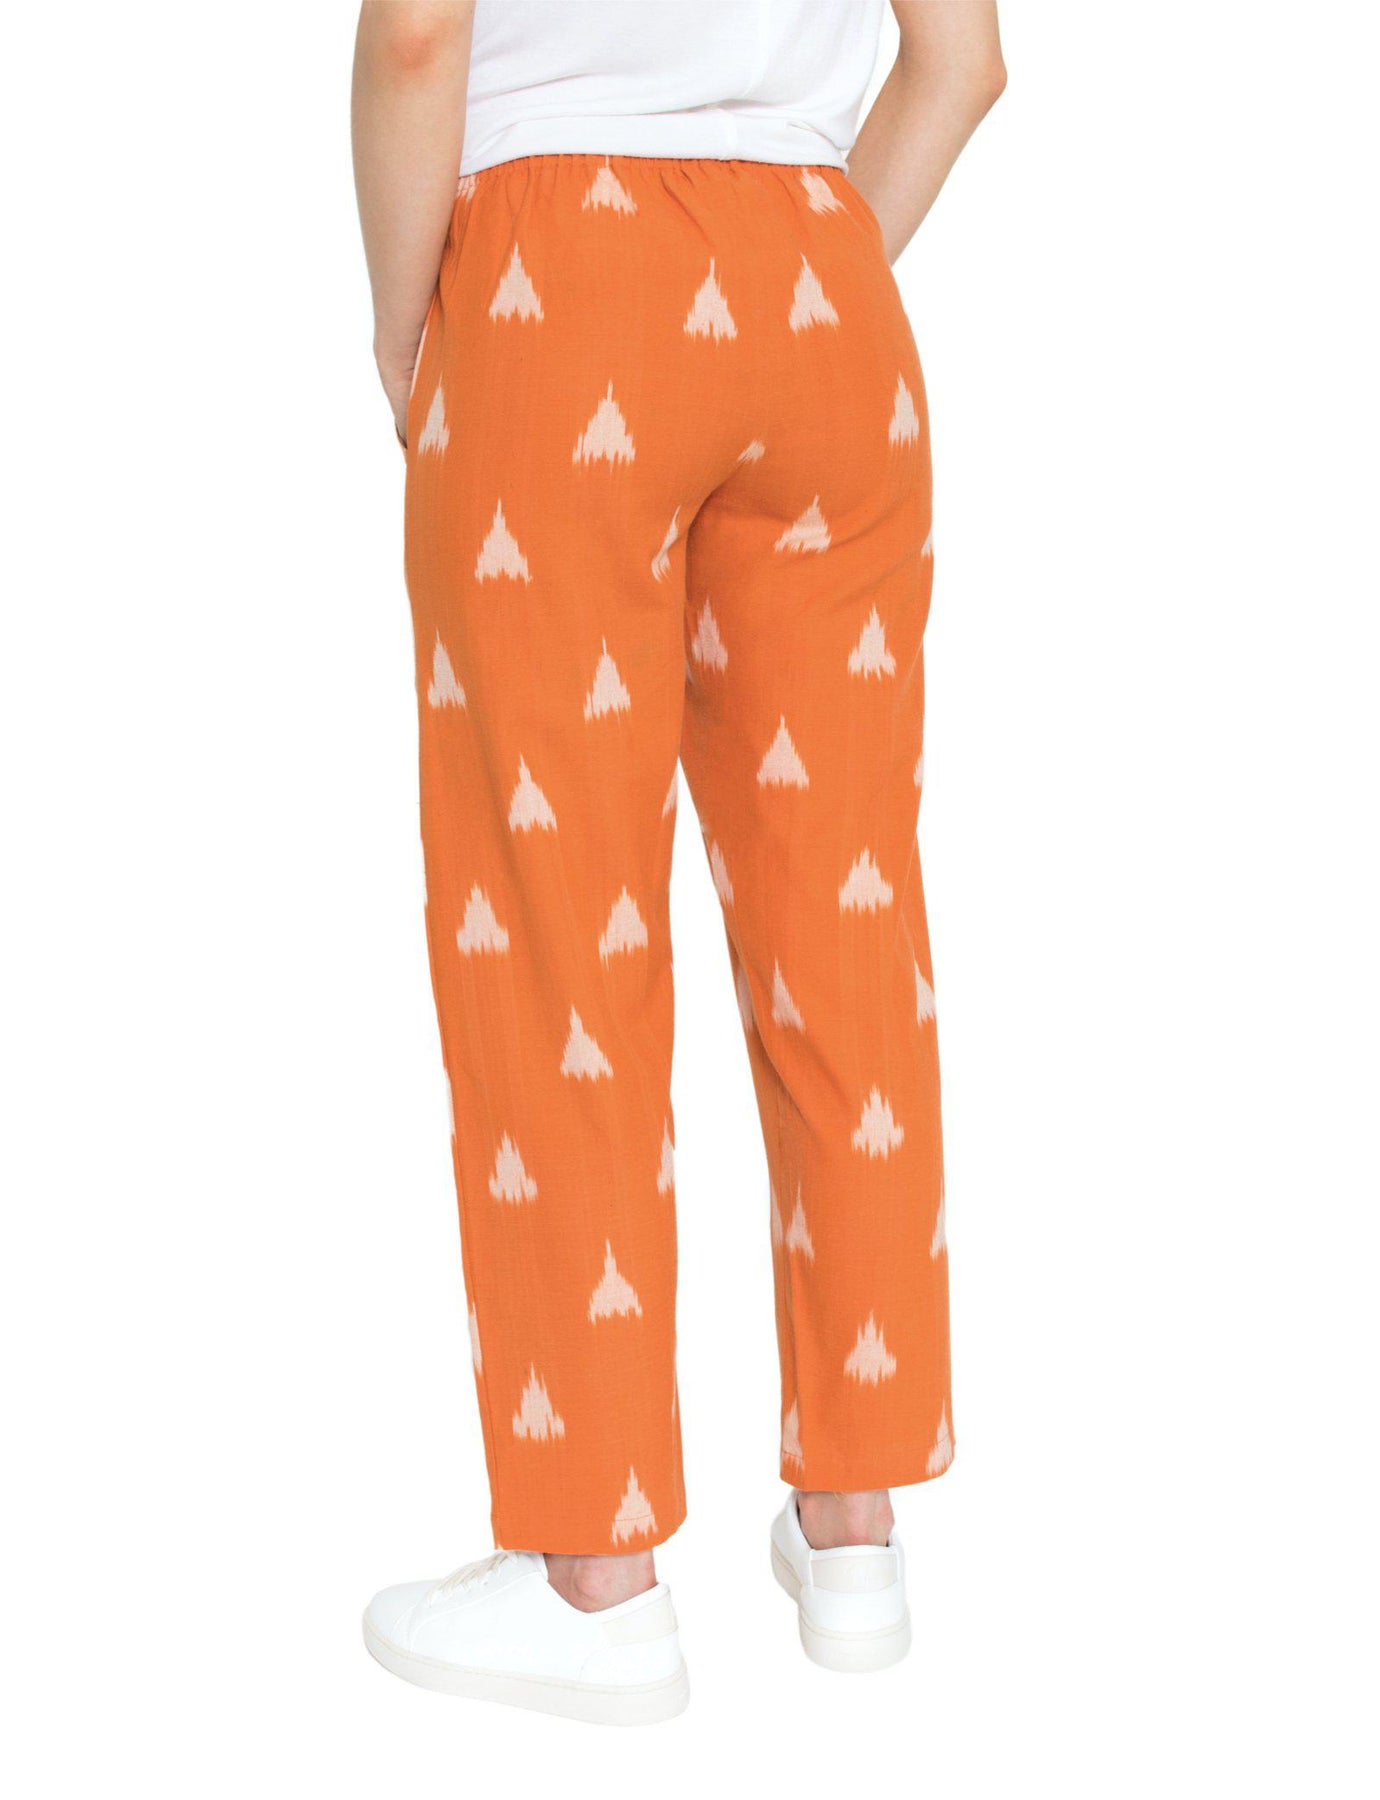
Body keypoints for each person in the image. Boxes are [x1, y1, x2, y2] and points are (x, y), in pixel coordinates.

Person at [351, 0, 1004, 1724]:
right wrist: (802, 274)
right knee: (845, 910)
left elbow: (416, 38)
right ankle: (855, 1530)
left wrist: (405, 320)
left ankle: (597, 1576)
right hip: (825, 294)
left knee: (552, 925)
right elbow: (964, 63)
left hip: (553, 279)